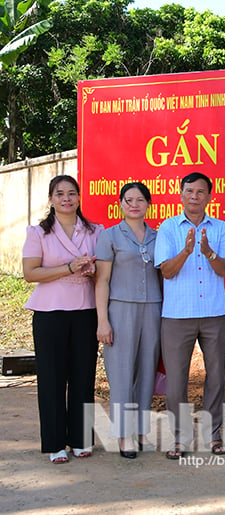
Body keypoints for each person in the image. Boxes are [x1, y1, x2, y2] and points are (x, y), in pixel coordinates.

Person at [22, 175, 102, 464]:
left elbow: (103, 272)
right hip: (49, 313)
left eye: (71, 193)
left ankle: (81, 439)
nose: (66, 198)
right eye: (60, 194)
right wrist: (68, 267)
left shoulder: (95, 231)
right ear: (51, 199)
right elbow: (31, 273)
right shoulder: (38, 233)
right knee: (52, 379)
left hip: (85, 311)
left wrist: (91, 271)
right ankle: (55, 443)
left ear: (79, 197)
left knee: (83, 376)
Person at [155, 172, 225, 459]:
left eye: (201, 192)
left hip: (214, 313)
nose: (195, 197)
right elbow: (166, 271)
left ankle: (214, 435)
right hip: (177, 316)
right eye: (190, 191)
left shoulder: (221, 228)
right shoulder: (168, 228)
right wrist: (187, 251)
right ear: (181, 194)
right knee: (176, 379)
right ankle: (179, 438)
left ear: (209, 197)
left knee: (216, 377)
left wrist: (209, 252)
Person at [94, 182, 163, 458]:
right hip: (120, 309)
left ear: (148, 204)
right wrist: (103, 320)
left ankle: (142, 430)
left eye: (140, 199)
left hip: (153, 308)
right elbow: (102, 280)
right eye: (128, 199)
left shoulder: (158, 236)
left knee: (147, 370)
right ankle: (123, 436)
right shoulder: (110, 236)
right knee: (122, 373)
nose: (134, 204)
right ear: (120, 204)